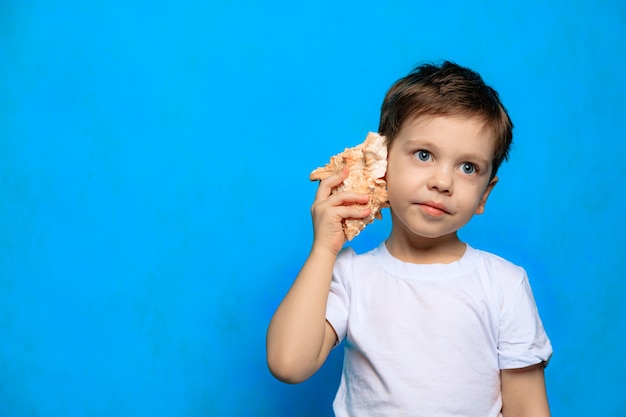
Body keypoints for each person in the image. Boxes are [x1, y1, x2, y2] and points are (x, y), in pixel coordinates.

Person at [266, 61, 553, 417]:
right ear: (382, 163)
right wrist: (324, 250)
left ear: (484, 195)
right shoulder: (351, 276)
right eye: (424, 155)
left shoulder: (504, 284)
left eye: (468, 167)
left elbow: (528, 408)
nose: (442, 182)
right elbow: (288, 363)